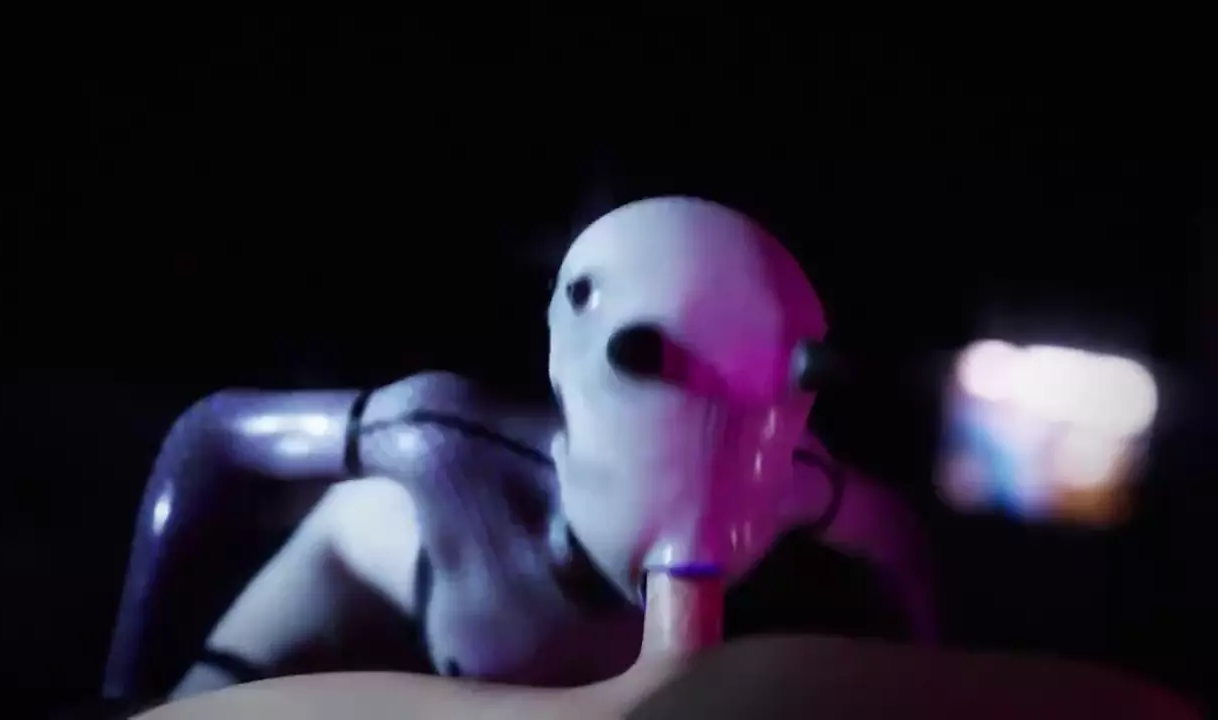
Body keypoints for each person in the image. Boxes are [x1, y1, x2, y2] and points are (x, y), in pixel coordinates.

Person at [104, 197, 937, 704]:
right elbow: (210, 437)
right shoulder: (435, 443)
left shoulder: (799, 483)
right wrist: (125, 685)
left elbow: (895, 536)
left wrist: (932, 673)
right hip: (360, 573)